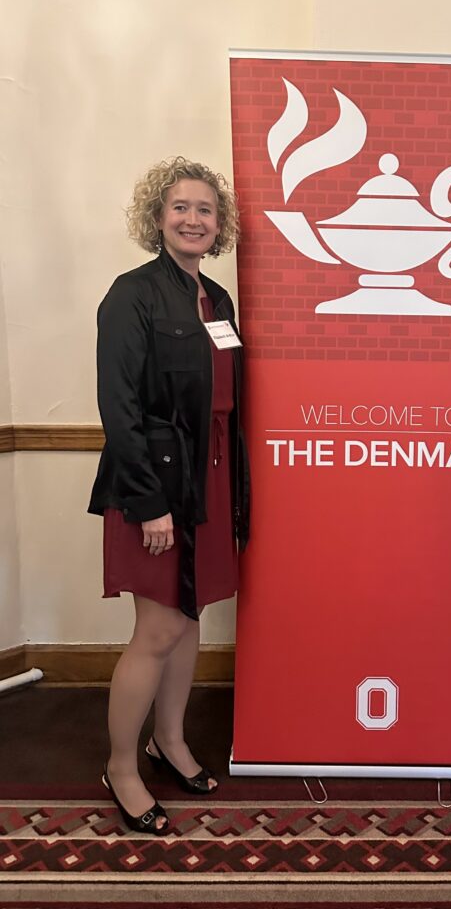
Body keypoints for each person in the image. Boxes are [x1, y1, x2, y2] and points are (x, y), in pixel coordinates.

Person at [88, 156, 250, 834]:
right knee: (156, 628)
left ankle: (171, 742)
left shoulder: (218, 300)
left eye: (205, 210)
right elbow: (118, 407)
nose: (193, 219)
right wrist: (151, 502)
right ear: (158, 219)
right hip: (155, 484)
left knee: (189, 621)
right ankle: (122, 766)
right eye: (180, 208)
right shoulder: (132, 294)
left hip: (209, 479)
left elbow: (230, 406)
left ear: (220, 225)